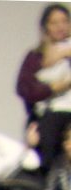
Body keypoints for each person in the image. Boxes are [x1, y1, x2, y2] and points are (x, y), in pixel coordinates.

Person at [17, 4, 71, 173]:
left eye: (64, 21)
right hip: (50, 116)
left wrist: (64, 53)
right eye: (54, 23)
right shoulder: (35, 56)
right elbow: (24, 88)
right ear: (45, 26)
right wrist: (52, 88)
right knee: (49, 162)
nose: (60, 27)